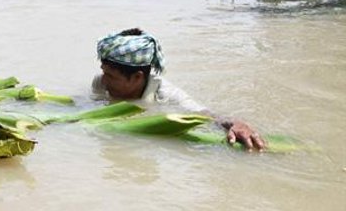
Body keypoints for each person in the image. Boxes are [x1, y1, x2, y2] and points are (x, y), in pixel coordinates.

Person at [92, 28, 266, 151]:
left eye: (112, 76)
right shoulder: (100, 83)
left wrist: (234, 123)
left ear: (137, 77)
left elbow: (204, 114)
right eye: (104, 72)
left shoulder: (166, 95)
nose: (105, 80)